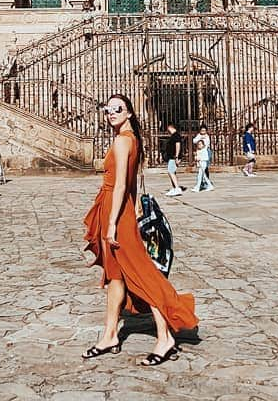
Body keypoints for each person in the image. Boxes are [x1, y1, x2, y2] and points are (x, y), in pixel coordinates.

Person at [83, 94, 198, 365]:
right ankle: (110, 333)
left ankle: (165, 337)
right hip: (117, 209)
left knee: (142, 274)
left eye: (117, 109)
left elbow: (122, 184)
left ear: (130, 113)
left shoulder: (123, 140)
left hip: (116, 213)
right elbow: (131, 184)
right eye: (108, 109)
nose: (111, 113)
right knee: (116, 277)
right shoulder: (131, 139)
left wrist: (112, 222)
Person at [162, 123, 183, 196]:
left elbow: (178, 145)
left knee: (170, 171)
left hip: (173, 157)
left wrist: (176, 156)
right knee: (172, 172)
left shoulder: (176, 135)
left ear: (170, 127)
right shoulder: (174, 135)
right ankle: (174, 187)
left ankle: (177, 188)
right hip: (172, 157)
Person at [192, 124, 213, 192]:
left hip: (203, 159)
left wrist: (199, 157)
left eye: (204, 130)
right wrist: (200, 138)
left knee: (201, 174)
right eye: (202, 130)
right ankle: (208, 185)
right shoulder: (199, 136)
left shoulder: (206, 138)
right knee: (203, 175)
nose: (203, 132)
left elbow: (205, 145)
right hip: (200, 158)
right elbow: (194, 141)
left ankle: (198, 187)